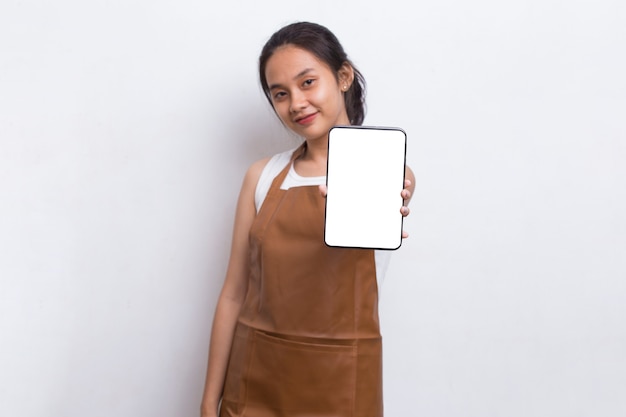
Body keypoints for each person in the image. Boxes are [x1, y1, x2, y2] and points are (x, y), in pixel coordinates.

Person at [200, 21, 415, 417]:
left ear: (344, 76)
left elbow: (402, 189)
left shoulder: (386, 171)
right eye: (280, 94)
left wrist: (391, 200)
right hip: (254, 381)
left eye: (308, 82)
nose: (295, 103)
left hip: (341, 386)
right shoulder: (261, 176)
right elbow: (233, 294)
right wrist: (208, 402)